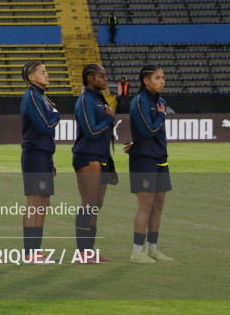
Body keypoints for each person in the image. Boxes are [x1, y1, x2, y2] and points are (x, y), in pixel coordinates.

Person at [126, 66, 173, 264]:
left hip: (161, 157)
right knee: (145, 205)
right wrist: (161, 116)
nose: (162, 81)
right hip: (144, 159)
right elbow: (148, 130)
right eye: (157, 78)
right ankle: (136, 252)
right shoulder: (139, 101)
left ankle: (152, 250)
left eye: (163, 77)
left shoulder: (160, 101)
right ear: (146, 81)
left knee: (158, 206)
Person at [72, 65, 117, 263]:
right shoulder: (85, 100)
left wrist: (111, 164)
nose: (106, 79)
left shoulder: (99, 99)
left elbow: (105, 137)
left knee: (96, 206)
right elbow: (91, 131)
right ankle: (81, 253)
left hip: (101, 158)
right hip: (87, 156)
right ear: (90, 78)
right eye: (102, 76)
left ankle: (89, 251)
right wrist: (108, 118)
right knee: (88, 204)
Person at [20, 61, 61, 260]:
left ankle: (36, 250)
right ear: (31, 77)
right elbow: (45, 126)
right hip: (34, 155)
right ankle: (30, 252)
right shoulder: (32, 96)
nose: (47, 75)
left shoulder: (41, 97)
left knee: (43, 204)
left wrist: (49, 159)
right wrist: (56, 115)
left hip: (43, 156)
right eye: (42, 72)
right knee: (35, 203)